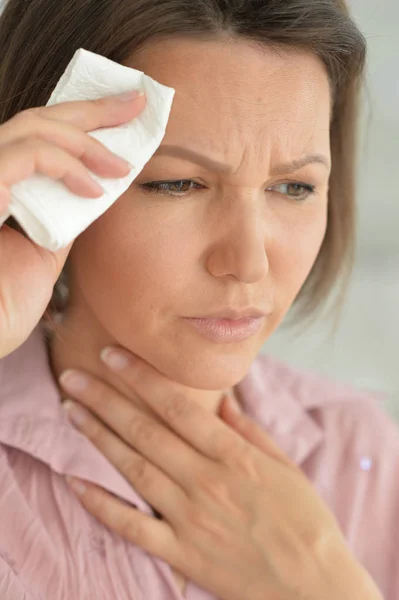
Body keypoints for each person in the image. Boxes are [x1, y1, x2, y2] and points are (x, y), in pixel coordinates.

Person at [0, 0, 397, 598]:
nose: (248, 262)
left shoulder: (360, 452)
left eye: (294, 187)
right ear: (46, 180)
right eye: (177, 183)